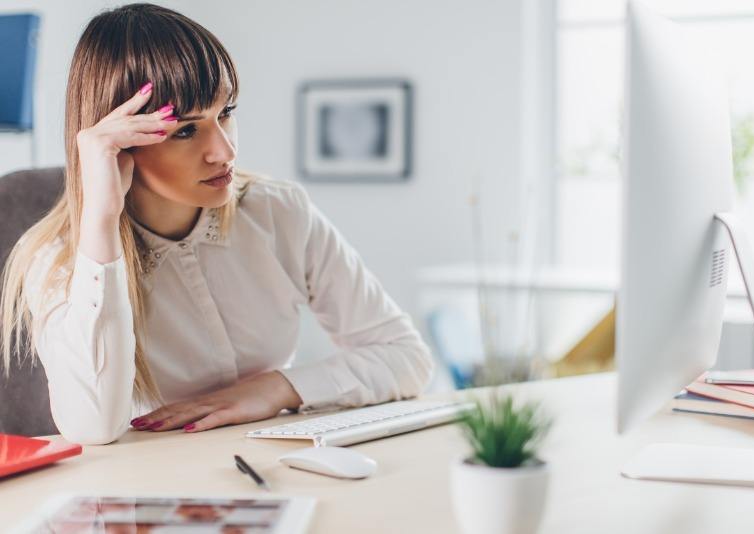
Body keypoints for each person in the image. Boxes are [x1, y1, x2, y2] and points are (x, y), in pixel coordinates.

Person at [0, 3, 433, 445]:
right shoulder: (58, 259)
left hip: (266, 463)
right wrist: (101, 218)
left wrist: (277, 388)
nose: (223, 151)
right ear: (121, 143)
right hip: (143, 492)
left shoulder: (278, 212)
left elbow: (407, 359)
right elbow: (93, 428)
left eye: (225, 112)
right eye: (185, 131)